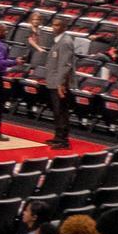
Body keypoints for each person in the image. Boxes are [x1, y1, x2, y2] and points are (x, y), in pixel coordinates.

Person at [29, 16, 78, 148]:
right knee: (57, 111)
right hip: (53, 81)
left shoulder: (65, 42)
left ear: (64, 27)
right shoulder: (58, 41)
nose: (54, 27)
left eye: (57, 25)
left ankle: (63, 140)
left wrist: (61, 84)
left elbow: (65, 65)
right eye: (53, 25)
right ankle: (58, 136)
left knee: (61, 111)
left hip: (60, 84)